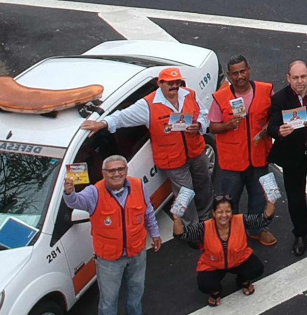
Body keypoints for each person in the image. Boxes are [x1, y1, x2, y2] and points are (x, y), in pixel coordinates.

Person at [80, 65, 210, 236]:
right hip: (173, 161)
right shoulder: (148, 105)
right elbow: (122, 116)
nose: (174, 87)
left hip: (196, 151)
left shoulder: (189, 94)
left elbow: (203, 112)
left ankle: (207, 218)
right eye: (169, 83)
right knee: (185, 194)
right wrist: (102, 124)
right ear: (159, 83)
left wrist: (199, 124)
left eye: (177, 82)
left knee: (204, 184)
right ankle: (192, 229)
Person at [63, 154, 159, 315]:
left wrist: (155, 233)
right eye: (112, 170)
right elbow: (75, 202)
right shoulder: (94, 192)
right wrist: (69, 193)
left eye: (120, 169)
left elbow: (148, 211)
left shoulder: (138, 185)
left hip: (136, 250)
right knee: (108, 299)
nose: (117, 174)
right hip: (109, 258)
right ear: (103, 173)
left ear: (126, 170)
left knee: (136, 288)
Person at [205, 56, 279, 242]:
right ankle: (232, 234)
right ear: (229, 75)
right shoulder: (220, 97)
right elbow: (212, 127)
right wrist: (228, 125)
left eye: (242, 71)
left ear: (249, 70)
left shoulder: (266, 90)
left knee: (258, 197)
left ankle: (256, 230)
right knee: (230, 200)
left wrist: (267, 127)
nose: (240, 76)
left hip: (259, 156)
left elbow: (275, 116)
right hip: (232, 161)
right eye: (235, 73)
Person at [268, 59, 307, 257]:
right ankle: (301, 234)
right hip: (293, 157)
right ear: (288, 78)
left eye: (303, 76)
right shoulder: (280, 99)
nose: (300, 81)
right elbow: (271, 126)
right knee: (295, 198)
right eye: (295, 78)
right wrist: (279, 131)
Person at [184, 194, 270, 305]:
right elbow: (181, 234)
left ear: (232, 212)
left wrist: (270, 203)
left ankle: (242, 281)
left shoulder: (241, 220)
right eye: (220, 212)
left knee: (256, 268)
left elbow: (264, 220)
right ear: (213, 213)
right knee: (205, 285)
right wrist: (177, 218)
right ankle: (215, 292)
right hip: (213, 265)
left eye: (228, 211)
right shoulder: (204, 227)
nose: (224, 215)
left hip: (238, 260)